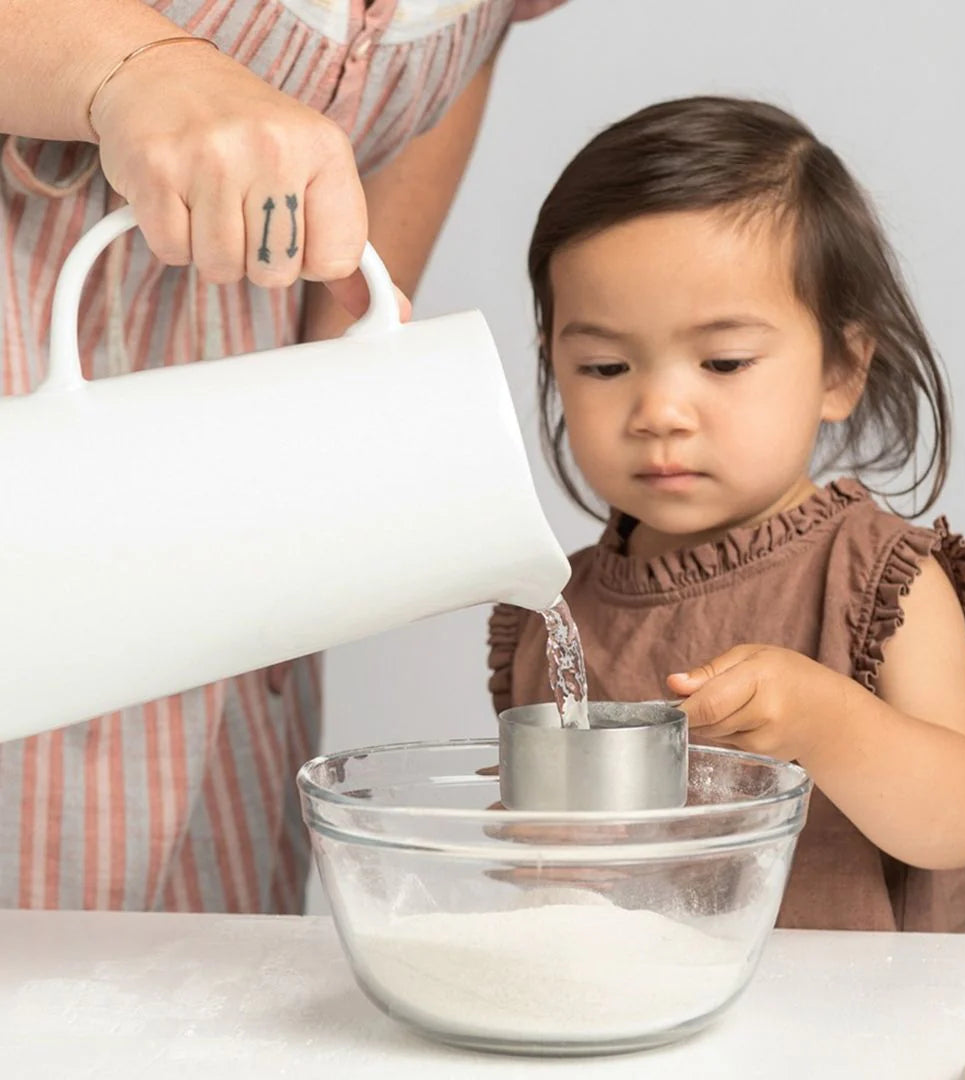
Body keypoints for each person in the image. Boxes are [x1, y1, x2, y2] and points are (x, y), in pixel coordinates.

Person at [0, 0, 569, 912]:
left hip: (235, 481)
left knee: (191, 974)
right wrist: (132, 66)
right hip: (31, 436)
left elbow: (449, 68)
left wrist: (336, 392)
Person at [488, 96, 965, 933]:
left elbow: (961, 821)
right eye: (605, 365)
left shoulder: (878, 579)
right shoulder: (553, 610)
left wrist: (828, 722)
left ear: (841, 369)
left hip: (851, 1041)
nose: (660, 409)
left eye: (723, 361)